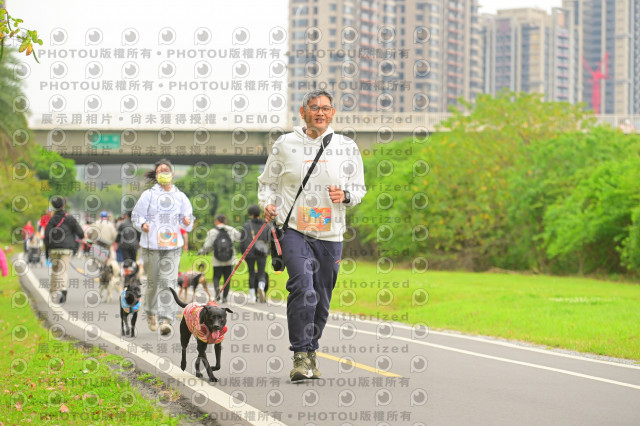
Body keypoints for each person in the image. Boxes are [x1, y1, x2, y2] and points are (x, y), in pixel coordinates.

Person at [258, 89, 366, 381]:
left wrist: (345, 195)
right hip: (294, 229)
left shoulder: (347, 147)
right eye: (314, 107)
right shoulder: (285, 144)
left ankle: (311, 350)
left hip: (331, 234)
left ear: (333, 113)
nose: (320, 112)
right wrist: (267, 203)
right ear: (302, 112)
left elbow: (359, 189)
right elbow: (266, 183)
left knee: (321, 298)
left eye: (325, 108)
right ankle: (299, 354)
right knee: (303, 287)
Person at [132, 159, 194, 335]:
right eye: (160, 171)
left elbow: (188, 218)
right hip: (151, 245)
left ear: (172, 174)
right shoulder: (148, 195)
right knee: (153, 282)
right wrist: (142, 224)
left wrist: (187, 221)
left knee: (168, 282)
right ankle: (151, 311)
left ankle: (165, 319)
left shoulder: (180, 196)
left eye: (166, 170)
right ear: (156, 175)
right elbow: (136, 216)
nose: (164, 174)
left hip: (173, 245)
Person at [43, 196, 85, 304]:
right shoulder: (70, 218)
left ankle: (53, 293)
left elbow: (46, 235)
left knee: (55, 270)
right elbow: (81, 234)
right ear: (64, 206)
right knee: (63, 270)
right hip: (67, 249)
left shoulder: (52, 219)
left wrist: (47, 252)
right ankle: (63, 291)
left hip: (54, 249)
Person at [199, 214, 241, 303]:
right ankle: (225, 297)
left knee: (216, 277)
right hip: (230, 259)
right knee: (227, 278)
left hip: (217, 259)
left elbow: (207, 245)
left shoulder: (212, 232)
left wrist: (202, 251)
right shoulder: (231, 230)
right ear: (225, 221)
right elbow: (240, 237)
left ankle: (217, 290)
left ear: (217, 221)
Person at [239, 205, 270, 303]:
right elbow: (269, 239)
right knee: (261, 273)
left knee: (251, 274)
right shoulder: (266, 225)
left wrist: (243, 254)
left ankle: (252, 297)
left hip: (250, 253)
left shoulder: (246, 225)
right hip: (262, 252)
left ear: (251, 214)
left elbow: (242, 241)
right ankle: (261, 287)